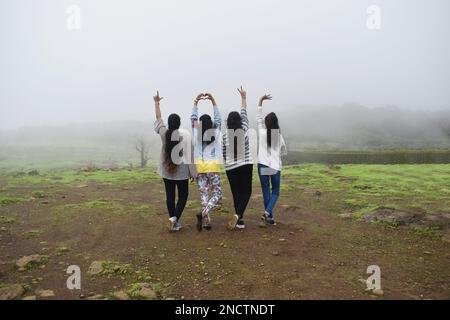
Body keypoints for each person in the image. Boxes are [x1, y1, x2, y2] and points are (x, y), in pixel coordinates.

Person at [153, 91, 196, 232]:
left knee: (170, 196)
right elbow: (190, 156)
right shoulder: (187, 135)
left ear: (169, 123)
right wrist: (194, 174)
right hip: (182, 171)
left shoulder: (165, 134)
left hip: (167, 170)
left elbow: (159, 119)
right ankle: (174, 219)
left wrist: (156, 103)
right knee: (183, 195)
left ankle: (173, 219)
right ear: (179, 123)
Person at [191, 93, 223, 231]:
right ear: (211, 124)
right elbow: (219, 119)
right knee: (217, 193)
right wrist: (213, 100)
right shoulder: (215, 132)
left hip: (200, 168)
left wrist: (196, 102)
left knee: (204, 194)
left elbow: (192, 119)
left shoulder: (195, 133)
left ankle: (207, 221)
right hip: (212, 167)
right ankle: (205, 214)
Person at [223, 86, 253, 230]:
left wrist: (227, 163)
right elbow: (244, 112)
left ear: (228, 122)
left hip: (230, 167)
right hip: (246, 164)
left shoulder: (225, 136)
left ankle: (239, 220)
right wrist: (243, 98)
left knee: (236, 192)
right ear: (240, 121)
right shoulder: (245, 129)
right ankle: (238, 215)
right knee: (246, 191)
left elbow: (223, 153)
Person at [256, 94, 287, 226]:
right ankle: (268, 213)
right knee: (275, 191)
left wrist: (261, 101)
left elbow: (258, 119)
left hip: (262, 165)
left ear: (266, 123)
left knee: (265, 191)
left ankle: (269, 217)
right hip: (275, 167)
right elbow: (284, 152)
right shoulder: (279, 136)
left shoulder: (262, 133)